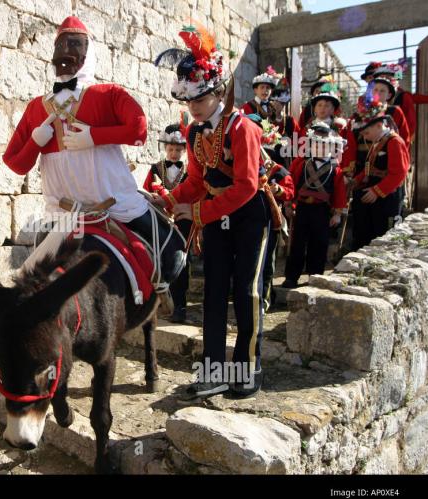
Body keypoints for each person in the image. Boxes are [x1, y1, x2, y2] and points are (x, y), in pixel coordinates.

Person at [3, 15, 185, 293]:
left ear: (87, 54)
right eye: (62, 46)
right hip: (62, 215)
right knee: (26, 290)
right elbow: (15, 163)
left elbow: (138, 130)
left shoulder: (107, 94)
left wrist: (93, 137)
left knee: (170, 255)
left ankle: (158, 294)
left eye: (74, 45)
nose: (66, 53)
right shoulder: (36, 108)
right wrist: (35, 143)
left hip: (115, 206)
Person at [152, 24, 274, 398]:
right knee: (214, 293)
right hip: (216, 219)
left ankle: (248, 368)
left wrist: (199, 213)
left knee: (247, 292)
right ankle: (214, 371)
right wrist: (168, 201)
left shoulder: (243, 128)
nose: (192, 107)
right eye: (188, 101)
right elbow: (196, 179)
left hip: (250, 216)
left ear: (218, 92)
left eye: (199, 100)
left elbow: (246, 186)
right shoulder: (193, 133)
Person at [282, 122, 347, 289]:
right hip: (302, 209)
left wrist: (337, 213)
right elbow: (291, 184)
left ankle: (315, 276)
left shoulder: (335, 169)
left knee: (319, 244)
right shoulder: (301, 163)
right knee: (297, 243)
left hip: (322, 211)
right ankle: (291, 277)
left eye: (324, 145)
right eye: (316, 144)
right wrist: (288, 204)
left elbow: (339, 192)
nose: (320, 148)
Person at [349, 91, 410, 251]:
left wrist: (377, 190)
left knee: (384, 234)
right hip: (374, 194)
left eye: (366, 132)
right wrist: (357, 180)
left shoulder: (394, 142)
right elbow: (370, 167)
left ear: (378, 125)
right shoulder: (378, 141)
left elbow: (399, 173)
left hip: (388, 196)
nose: (365, 136)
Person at [246, 114, 295, 311]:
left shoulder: (278, 171)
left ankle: (264, 299)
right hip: (245, 220)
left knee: (266, 261)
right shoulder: (240, 166)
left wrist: (279, 190)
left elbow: (290, 191)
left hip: (269, 220)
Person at [143, 124, 191, 323]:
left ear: (184, 150)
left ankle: (180, 305)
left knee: (181, 262)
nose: (174, 153)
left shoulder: (190, 172)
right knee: (157, 259)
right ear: (165, 149)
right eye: (170, 149)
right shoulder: (155, 169)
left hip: (182, 222)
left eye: (178, 150)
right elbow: (146, 192)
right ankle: (157, 303)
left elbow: (192, 195)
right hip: (160, 222)